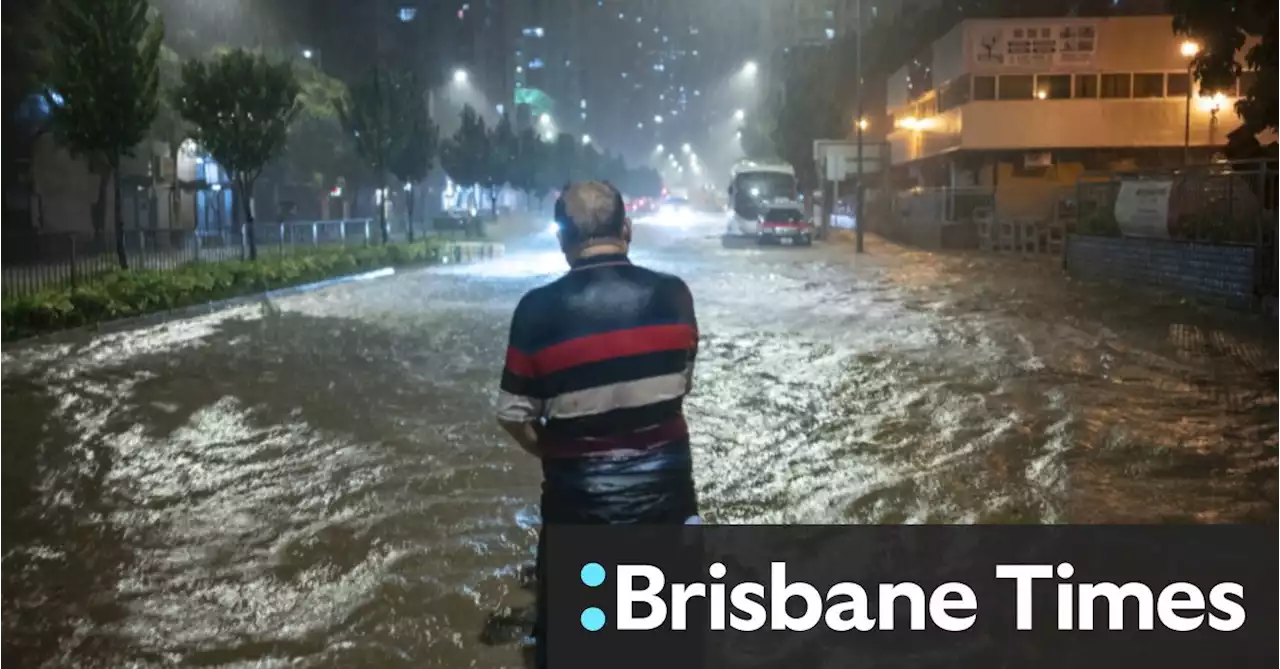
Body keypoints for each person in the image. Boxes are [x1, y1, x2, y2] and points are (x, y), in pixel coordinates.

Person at [496, 181, 701, 669]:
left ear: (563, 242)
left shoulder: (536, 311)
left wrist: (556, 450)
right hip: (668, 511)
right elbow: (681, 384)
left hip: (579, 517)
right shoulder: (675, 296)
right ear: (627, 229)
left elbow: (512, 415)